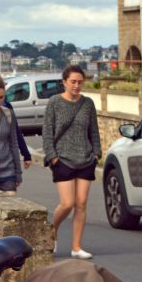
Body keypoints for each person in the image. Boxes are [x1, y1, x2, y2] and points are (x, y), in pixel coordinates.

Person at [42, 65, 100, 259]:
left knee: (81, 203)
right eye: (73, 82)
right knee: (67, 203)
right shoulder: (54, 102)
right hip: (63, 159)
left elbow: (93, 130)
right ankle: (51, 231)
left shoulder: (88, 103)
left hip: (86, 158)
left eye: (80, 82)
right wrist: (52, 157)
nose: (76, 85)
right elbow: (47, 132)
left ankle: (76, 247)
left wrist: (96, 153)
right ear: (64, 82)